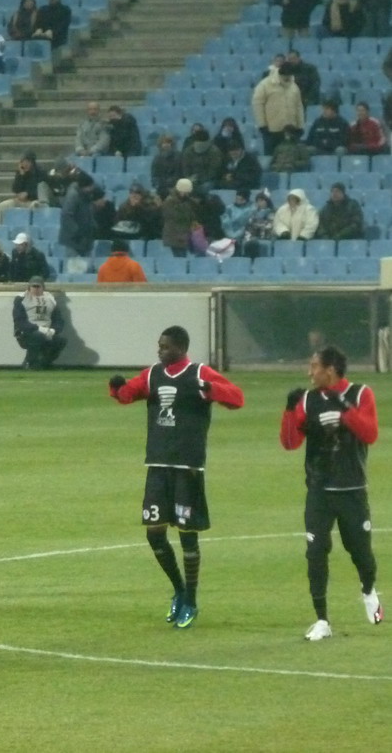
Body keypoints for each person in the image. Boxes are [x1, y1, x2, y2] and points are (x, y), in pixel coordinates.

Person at [108, 325, 244, 629]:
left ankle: (192, 601)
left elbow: (237, 398)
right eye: (159, 346)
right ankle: (180, 590)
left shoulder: (200, 373)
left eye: (165, 347)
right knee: (154, 533)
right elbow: (129, 394)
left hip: (187, 467)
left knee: (187, 536)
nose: (160, 351)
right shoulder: (152, 374)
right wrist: (117, 389)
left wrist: (211, 390)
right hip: (157, 465)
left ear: (181, 348)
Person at [280, 345, 383, 640]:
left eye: (313, 367)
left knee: (360, 552)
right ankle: (322, 620)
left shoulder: (360, 395)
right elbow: (290, 442)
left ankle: (368, 591)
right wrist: (289, 410)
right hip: (319, 489)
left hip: (351, 490)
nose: (309, 372)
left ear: (330, 370)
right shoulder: (308, 400)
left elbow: (370, 434)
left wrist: (344, 410)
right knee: (315, 552)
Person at [12, 275, 67, 369]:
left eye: (38, 287)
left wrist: (54, 330)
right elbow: (19, 321)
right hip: (26, 332)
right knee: (38, 336)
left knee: (60, 341)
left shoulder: (50, 299)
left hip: (47, 330)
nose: (36, 289)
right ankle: (29, 362)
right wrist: (38, 329)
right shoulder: (21, 299)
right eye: (34, 287)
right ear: (29, 287)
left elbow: (58, 319)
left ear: (43, 288)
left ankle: (45, 363)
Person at [252, 62, 304, 156]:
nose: (287, 78)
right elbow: (257, 104)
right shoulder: (265, 85)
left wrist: (300, 125)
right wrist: (262, 125)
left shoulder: (294, 87)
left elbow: (299, 106)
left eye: (289, 75)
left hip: (291, 130)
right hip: (271, 131)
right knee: (272, 158)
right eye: (285, 75)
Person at [0, 151, 50, 224]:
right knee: (3, 205)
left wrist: (28, 194)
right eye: (23, 162)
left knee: (35, 206)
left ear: (32, 162)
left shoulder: (40, 172)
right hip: (21, 201)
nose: (25, 164)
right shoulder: (21, 172)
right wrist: (21, 176)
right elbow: (15, 189)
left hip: (35, 201)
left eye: (27, 162)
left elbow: (42, 190)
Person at [160, 178, 197, 258]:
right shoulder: (170, 202)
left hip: (183, 235)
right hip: (175, 236)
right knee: (180, 259)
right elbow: (177, 217)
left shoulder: (188, 201)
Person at [241, 190, 276, 258]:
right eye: (258, 201)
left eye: (262, 200)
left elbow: (269, 225)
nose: (260, 203)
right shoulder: (253, 213)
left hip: (266, 235)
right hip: (253, 235)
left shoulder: (272, 212)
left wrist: (257, 225)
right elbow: (249, 224)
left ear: (267, 201)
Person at [150, 134, 183, 200]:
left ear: (172, 144)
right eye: (164, 143)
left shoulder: (179, 156)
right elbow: (154, 176)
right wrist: (159, 184)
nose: (166, 145)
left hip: (176, 187)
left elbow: (180, 173)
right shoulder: (157, 159)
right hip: (162, 188)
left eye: (168, 142)